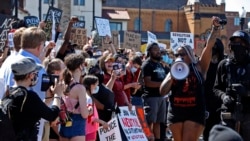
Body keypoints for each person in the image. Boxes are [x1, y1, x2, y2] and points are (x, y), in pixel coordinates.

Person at [159, 16, 220, 141]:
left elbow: (208, 47)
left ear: (190, 55)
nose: (179, 56)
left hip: (195, 111)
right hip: (176, 112)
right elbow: (162, 91)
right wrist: (172, 75)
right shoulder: (172, 70)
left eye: (182, 54)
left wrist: (215, 28)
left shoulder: (199, 67)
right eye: (177, 54)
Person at [4, 57, 62, 141]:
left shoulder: (9, 92)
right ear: (30, 75)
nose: (36, 76)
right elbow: (52, 115)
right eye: (35, 73)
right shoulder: (29, 96)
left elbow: (32, 112)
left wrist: (48, 99)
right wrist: (57, 95)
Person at [213, 30, 250, 141]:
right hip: (228, 112)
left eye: (241, 43)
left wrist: (247, 92)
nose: (237, 46)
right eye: (235, 43)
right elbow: (216, 88)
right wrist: (224, 96)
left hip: (248, 113)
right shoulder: (224, 64)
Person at [141, 42, 169, 141]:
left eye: (158, 50)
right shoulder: (147, 65)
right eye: (155, 50)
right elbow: (147, 83)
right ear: (149, 52)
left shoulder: (160, 65)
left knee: (158, 121)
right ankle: (148, 138)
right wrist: (163, 84)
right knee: (150, 121)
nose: (158, 52)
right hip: (151, 97)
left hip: (161, 97)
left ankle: (157, 139)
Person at [59, 54, 88, 141]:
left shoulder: (65, 84)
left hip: (65, 122)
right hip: (77, 124)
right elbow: (84, 114)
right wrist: (89, 111)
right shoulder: (80, 88)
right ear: (80, 66)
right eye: (84, 64)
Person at [203, 38, 225, 141]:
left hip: (219, 99)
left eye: (215, 46)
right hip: (206, 99)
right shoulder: (203, 63)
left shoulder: (223, 63)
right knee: (206, 129)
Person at [42, 58, 66, 141]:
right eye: (64, 68)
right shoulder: (51, 86)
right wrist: (60, 135)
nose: (66, 71)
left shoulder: (58, 85)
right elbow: (52, 114)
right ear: (57, 72)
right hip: (48, 128)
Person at [82, 75, 109, 141]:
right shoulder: (88, 99)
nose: (97, 87)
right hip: (90, 129)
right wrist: (102, 122)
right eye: (96, 85)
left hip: (86, 128)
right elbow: (89, 116)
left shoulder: (84, 97)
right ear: (91, 85)